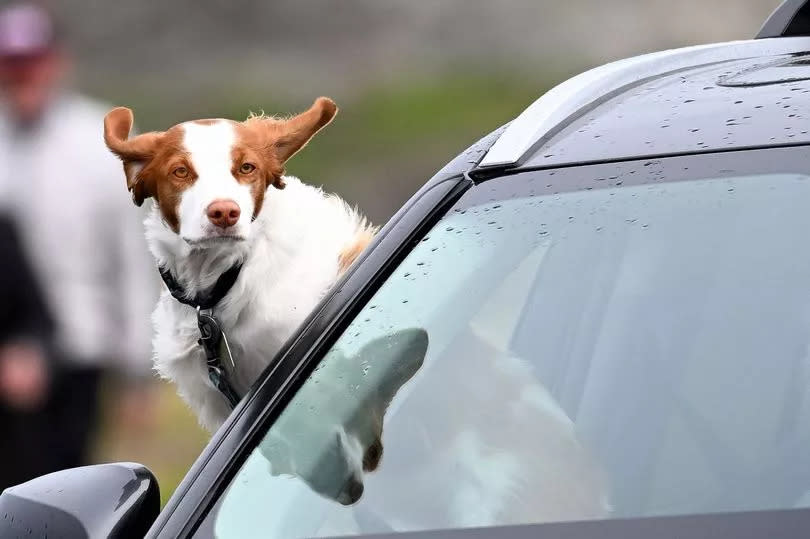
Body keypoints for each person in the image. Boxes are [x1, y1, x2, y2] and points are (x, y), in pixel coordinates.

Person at [0, 2, 156, 477]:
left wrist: (136, 369)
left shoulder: (99, 141)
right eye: (13, 65)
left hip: (80, 344)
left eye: (32, 63)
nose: (24, 76)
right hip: (6, 348)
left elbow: (129, 258)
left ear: (56, 62)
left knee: (64, 479)